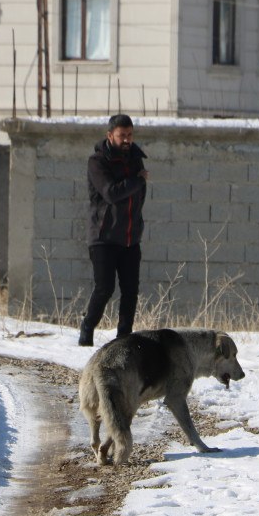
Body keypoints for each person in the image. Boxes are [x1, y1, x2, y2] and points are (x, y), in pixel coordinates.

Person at [79, 113, 148, 347]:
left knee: (130, 291)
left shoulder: (136, 159)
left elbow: (138, 199)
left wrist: (137, 223)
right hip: (103, 237)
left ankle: (123, 339)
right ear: (110, 136)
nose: (127, 140)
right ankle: (87, 328)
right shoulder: (97, 162)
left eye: (129, 135)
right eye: (122, 136)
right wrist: (136, 181)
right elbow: (110, 192)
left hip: (130, 238)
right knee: (105, 287)